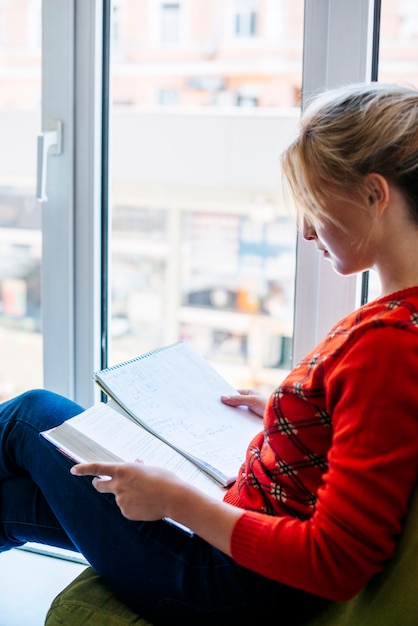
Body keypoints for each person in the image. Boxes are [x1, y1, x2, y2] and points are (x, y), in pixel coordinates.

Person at [1, 82, 418, 626]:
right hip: (244, 553)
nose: (306, 228)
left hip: (231, 586)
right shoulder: (399, 319)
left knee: (29, 415)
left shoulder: (388, 345)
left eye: (314, 201)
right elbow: (366, 423)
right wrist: (288, 418)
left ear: (374, 195)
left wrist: (178, 501)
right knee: (10, 500)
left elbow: (334, 561)